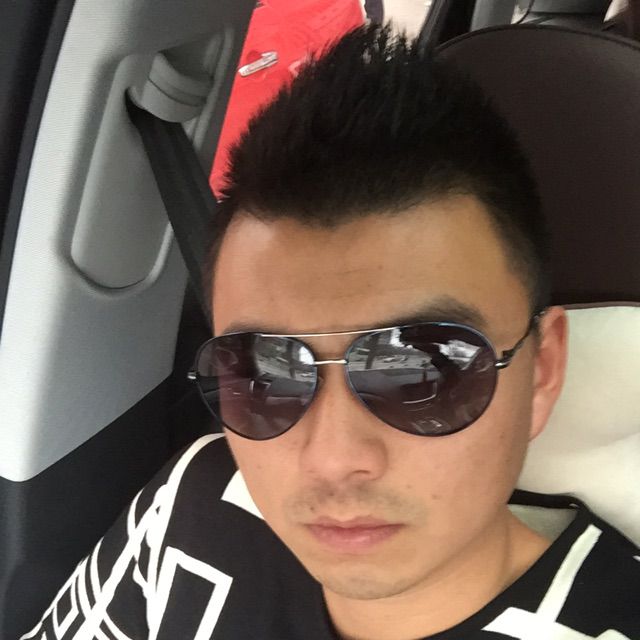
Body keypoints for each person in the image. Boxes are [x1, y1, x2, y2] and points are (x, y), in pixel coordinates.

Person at [23, 25, 640, 640]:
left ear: (543, 371)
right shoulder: (194, 503)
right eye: (266, 373)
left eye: (422, 371)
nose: (334, 460)